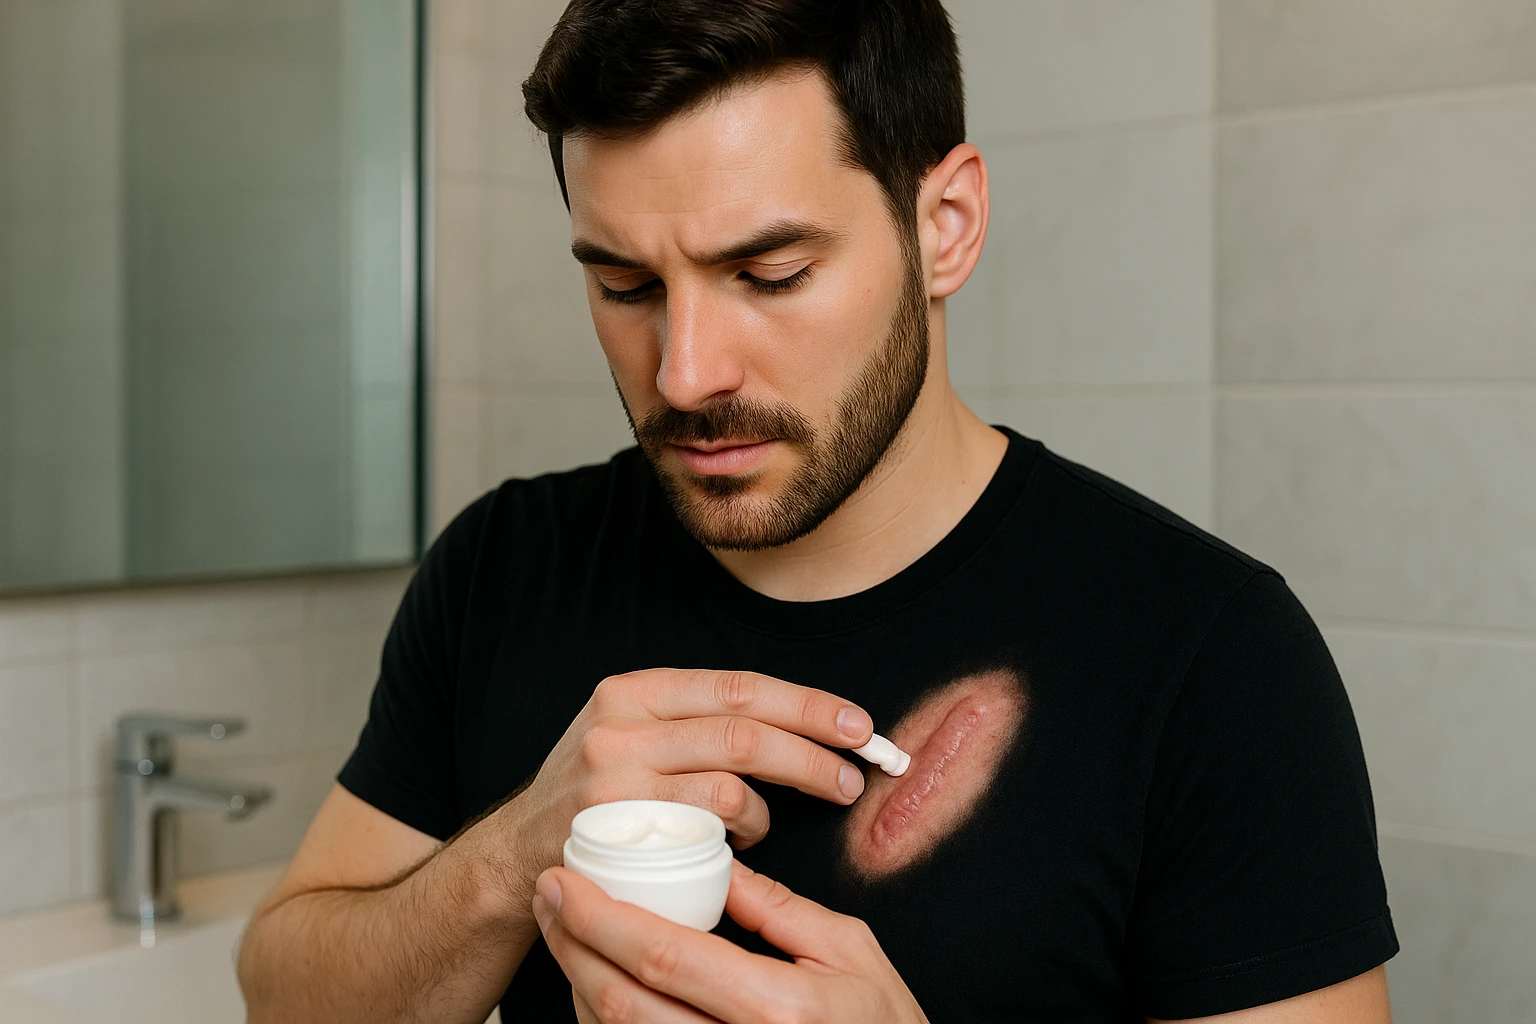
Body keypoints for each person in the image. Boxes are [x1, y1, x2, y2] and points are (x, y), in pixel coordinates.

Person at [236, 1, 1398, 1021]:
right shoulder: (504, 565)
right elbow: (282, 1001)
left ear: (943, 227)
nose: (686, 371)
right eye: (624, 285)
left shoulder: (1211, 655)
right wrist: (511, 855)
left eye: (770, 273)